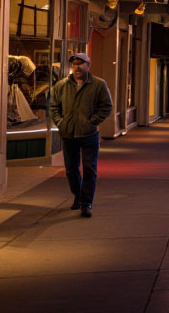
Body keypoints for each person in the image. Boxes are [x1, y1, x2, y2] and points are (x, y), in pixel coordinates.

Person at [49, 53, 113, 218]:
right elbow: (54, 107)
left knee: (90, 169)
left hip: (89, 134)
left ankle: (86, 203)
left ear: (88, 65)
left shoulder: (98, 84)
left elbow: (106, 106)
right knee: (71, 170)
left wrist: (92, 121)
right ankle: (78, 194)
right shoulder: (61, 85)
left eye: (81, 63)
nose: (77, 66)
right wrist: (61, 123)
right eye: (74, 64)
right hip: (68, 133)